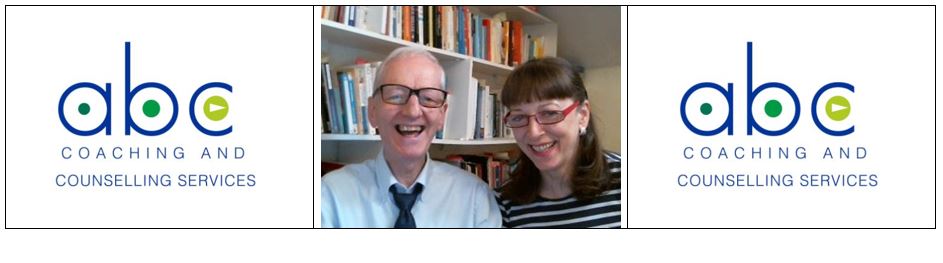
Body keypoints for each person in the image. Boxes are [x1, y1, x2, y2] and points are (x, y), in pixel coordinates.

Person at [321, 47, 501, 228]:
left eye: (428, 99)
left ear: (442, 115)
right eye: (396, 96)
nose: (413, 111)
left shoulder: (476, 200)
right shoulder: (328, 197)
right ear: (372, 111)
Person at [496, 57, 621, 228]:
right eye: (519, 117)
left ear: (583, 115)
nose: (533, 132)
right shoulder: (506, 202)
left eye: (549, 113)